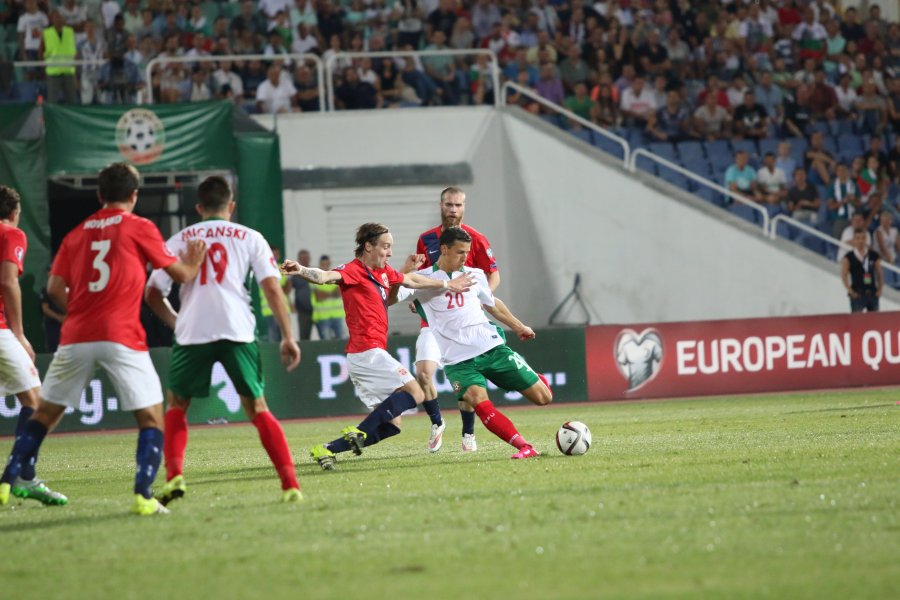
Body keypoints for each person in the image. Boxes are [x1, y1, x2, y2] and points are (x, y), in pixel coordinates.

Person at [0, 163, 207, 515]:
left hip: (76, 333)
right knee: (151, 417)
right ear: (134, 194)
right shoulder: (139, 226)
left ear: (99, 195)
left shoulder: (77, 233)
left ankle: (8, 481)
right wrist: (194, 262)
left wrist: (82, 308)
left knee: (45, 412)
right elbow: (180, 274)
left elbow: (53, 289)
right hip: (121, 333)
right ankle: (143, 495)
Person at [145, 176, 302, 505]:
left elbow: (152, 293)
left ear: (199, 207)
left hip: (193, 333)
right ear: (231, 206)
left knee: (176, 404)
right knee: (257, 407)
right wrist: (288, 336)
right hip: (237, 330)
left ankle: (174, 477)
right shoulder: (251, 237)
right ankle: (290, 485)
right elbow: (272, 288)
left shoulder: (179, 239)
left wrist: (177, 321)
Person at [280, 222, 474, 470]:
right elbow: (325, 276)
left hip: (368, 354)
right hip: (365, 351)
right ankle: (359, 431)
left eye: (390, 247)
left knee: (392, 426)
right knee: (416, 392)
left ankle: (327, 449)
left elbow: (411, 280)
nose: (389, 252)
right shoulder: (353, 270)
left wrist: (446, 284)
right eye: (385, 246)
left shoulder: (383, 273)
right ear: (368, 246)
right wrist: (301, 270)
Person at [396, 227, 553, 459]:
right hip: (458, 362)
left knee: (544, 398)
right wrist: (405, 270)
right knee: (477, 400)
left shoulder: (476, 274)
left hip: (491, 348)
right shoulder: (424, 278)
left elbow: (492, 304)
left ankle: (532, 376)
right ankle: (524, 446)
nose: (465, 257)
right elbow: (389, 295)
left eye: (467, 252)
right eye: (460, 252)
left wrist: (518, 326)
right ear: (444, 249)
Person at [411, 187, 500, 453]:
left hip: (465, 322)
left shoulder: (477, 239)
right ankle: (437, 422)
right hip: (435, 322)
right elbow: (422, 275)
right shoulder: (426, 239)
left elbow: (493, 275)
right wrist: (417, 298)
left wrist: (480, 297)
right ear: (441, 206)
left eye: (458, 205)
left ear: (464, 207)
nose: (453, 209)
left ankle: (468, 433)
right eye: (449, 204)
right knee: (423, 373)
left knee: (468, 380)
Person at [0, 186, 52, 505]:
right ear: (15, 213)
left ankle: (24, 475)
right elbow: (8, 282)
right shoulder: (11, 234)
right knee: (37, 402)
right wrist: (19, 334)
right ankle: (21, 475)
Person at [840, 228, 882, 313]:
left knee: (875, 320)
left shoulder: (873, 255)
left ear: (866, 239)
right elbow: (844, 275)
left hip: (872, 292)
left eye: (863, 238)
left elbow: (880, 274)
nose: (860, 241)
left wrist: (880, 290)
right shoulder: (849, 257)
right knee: (857, 321)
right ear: (854, 240)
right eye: (858, 238)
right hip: (857, 293)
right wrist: (850, 291)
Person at [260, 246, 291, 342]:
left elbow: (287, 288)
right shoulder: (263, 268)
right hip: (270, 309)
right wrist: (280, 288)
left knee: (287, 337)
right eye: (273, 254)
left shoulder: (283, 268)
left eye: (277, 254)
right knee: (274, 338)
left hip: (284, 308)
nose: (275, 256)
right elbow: (272, 287)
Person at [310, 254, 345, 340]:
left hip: (337, 315)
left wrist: (326, 293)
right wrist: (332, 293)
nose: (325, 266)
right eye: (323, 264)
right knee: (327, 343)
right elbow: (319, 296)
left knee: (341, 342)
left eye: (327, 264)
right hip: (323, 317)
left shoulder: (336, 275)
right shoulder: (315, 277)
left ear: (330, 263)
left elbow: (338, 293)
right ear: (320, 264)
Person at [288, 249, 313, 340]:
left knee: (324, 334)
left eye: (307, 258)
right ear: (299, 260)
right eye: (303, 258)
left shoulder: (315, 271)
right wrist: (290, 304)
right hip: (303, 310)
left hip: (318, 310)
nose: (305, 260)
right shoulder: (295, 274)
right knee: (304, 335)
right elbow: (287, 291)